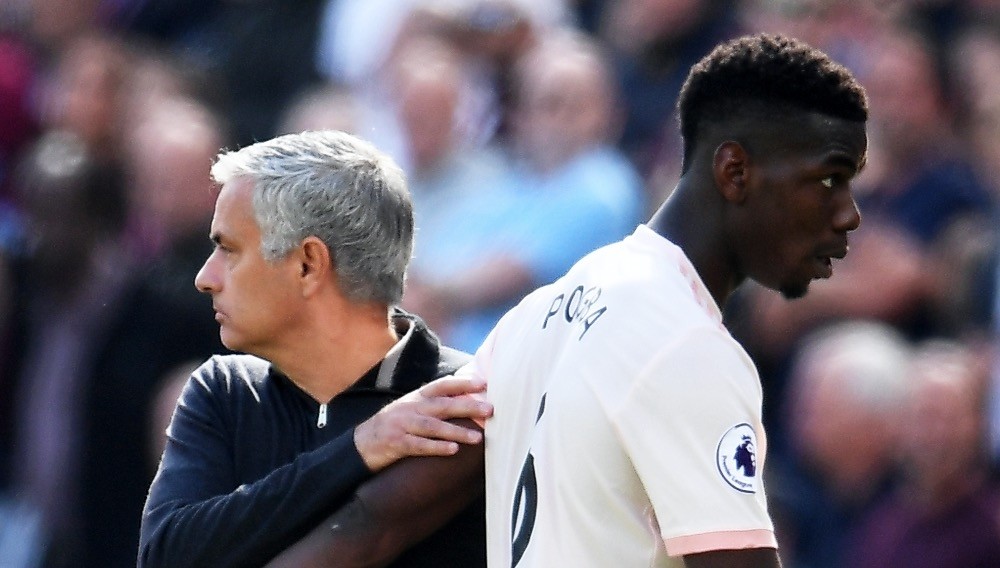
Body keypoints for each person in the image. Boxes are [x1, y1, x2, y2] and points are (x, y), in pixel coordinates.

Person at [269, 32, 870, 568]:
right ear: (735, 172)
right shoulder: (686, 344)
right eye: (826, 180)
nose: (848, 214)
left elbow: (377, 521)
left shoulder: (537, 316)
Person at [138, 130, 493, 567]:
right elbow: (166, 556)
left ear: (308, 264)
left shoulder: (462, 401)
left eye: (229, 250)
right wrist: (360, 448)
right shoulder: (224, 391)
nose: (205, 277)